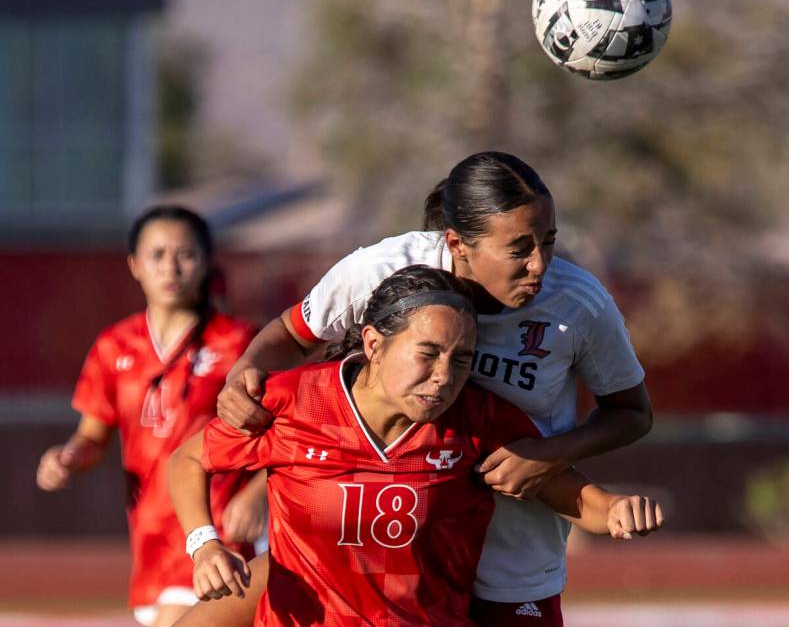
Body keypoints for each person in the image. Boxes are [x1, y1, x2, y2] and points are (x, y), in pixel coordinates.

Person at [208, 151, 651, 626]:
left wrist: (548, 455)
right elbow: (291, 338)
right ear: (458, 243)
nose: (540, 264)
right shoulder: (381, 270)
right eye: (520, 248)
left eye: (549, 241)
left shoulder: (578, 303)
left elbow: (631, 413)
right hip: (398, 541)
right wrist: (244, 374)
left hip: (511, 548)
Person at [169, 265, 663, 627]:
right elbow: (190, 459)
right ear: (374, 344)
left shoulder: (478, 420)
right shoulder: (296, 401)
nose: (445, 377)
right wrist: (203, 545)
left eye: (462, 359)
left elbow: (572, 495)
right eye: (427, 354)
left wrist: (618, 509)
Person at [36, 206, 267, 627]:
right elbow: (92, 436)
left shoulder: (240, 343)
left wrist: (257, 494)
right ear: (134, 265)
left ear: (207, 262)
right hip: (150, 540)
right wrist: (68, 457)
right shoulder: (113, 345)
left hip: (216, 532)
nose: (171, 267)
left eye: (186, 254)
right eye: (157, 254)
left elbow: (290, 431)